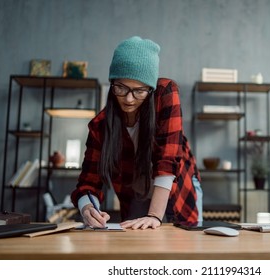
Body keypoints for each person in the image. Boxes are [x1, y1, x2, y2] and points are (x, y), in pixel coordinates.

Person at [71, 36, 203, 230]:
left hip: (178, 187)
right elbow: (87, 183)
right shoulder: (100, 125)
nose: (129, 99)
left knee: (183, 250)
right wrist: (87, 208)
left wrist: (154, 216)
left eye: (139, 91)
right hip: (135, 193)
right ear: (112, 85)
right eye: (121, 88)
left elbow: (168, 158)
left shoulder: (165, 93)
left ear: (150, 89)